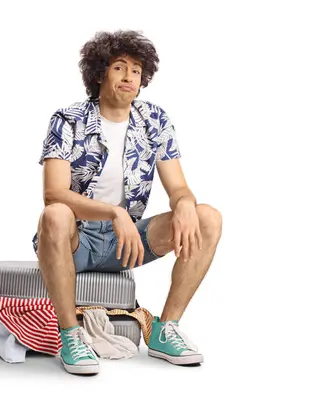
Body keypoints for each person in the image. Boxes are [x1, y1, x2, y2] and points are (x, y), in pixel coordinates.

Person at [32, 30, 222, 375]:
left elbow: (179, 187)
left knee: (207, 217)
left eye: (136, 70)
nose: (129, 77)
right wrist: (114, 212)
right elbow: (54, 193)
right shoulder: (67, 119)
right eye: (119, 67)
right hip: (75, 238)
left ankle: (166, 329)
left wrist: (182, 203)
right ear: (100, 72)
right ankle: (70, 336)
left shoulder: (155, 120)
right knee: (55, 215)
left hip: (126, 241)